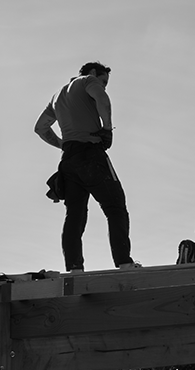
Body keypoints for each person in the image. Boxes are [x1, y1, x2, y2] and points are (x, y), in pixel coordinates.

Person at [35, 61, 139, 273]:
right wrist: (107, 129)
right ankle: (125, 263)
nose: (103, 86)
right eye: (103, 81)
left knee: (75, 215)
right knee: (115, 207)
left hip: (69, 161)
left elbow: (40, 128)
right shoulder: (87, 81)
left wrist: (62, 144)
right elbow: (103, 100)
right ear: (93, 73)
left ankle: (74, 268)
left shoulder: (57, 96)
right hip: (91, 154)